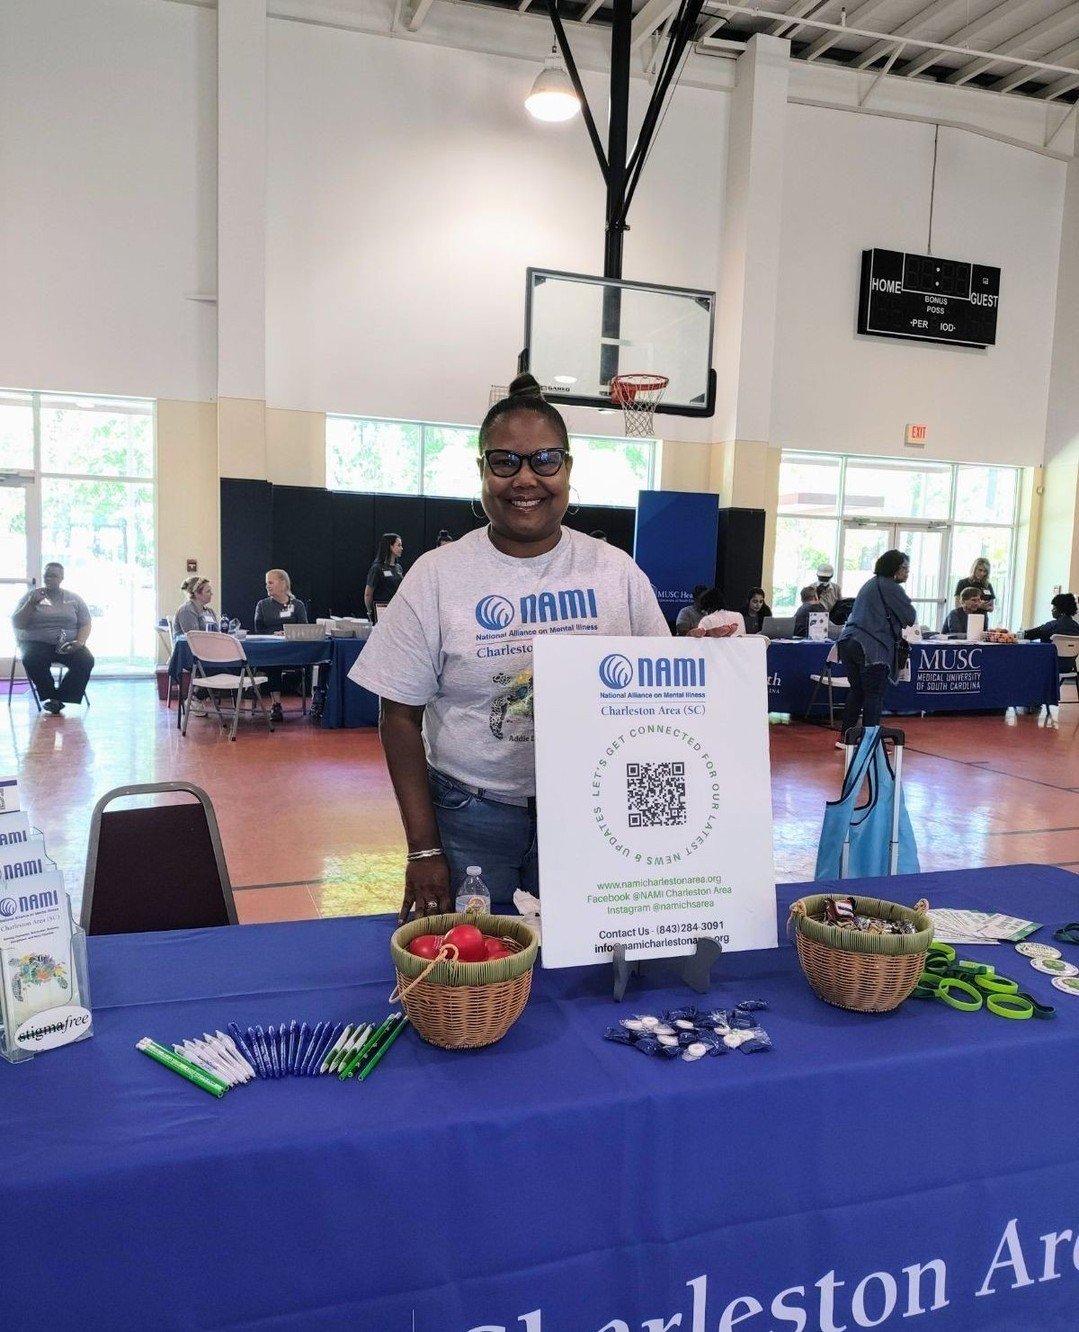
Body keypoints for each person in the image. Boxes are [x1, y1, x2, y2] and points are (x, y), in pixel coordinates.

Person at [348, 372, 669, 922]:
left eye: (545, 460)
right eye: (505, 462)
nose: (525, 478)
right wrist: (424, 848)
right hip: (470, 815)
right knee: (474, 975)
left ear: (567, 469)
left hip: (595, 813)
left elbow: (664, 697)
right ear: (482, 472)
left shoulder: (617, 575)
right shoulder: (437, 576)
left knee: (585, 972)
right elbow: (397, 714)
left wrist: (711, 661)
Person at [836, 550, 916, 744]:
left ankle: (846, 738)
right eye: (904, 568)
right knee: (874, 694)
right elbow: (910, 617)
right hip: (872, 647)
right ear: (894, 569)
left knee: (857, 691)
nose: (907, 572)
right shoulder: (891, 587)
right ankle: (870, 741)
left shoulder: (869, 584)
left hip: (848, 642)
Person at [11, 563, 94, 714]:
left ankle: (60, 698)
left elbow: (85, 623)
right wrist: (31, 603)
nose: (49, 578)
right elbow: (17, 623)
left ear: (62, 578)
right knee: (32, 658)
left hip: (67, 642)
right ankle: (50, 696)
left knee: (86, 660)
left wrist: (80, 642)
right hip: (36, 643)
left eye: (53, 575)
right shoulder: (32, 596)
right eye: (46, 575)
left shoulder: (74, 598)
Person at [254, 569, 309, 723]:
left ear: (283, 583)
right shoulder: (262, 605)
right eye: (266, 583)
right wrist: (274, 633)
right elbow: (259, 629)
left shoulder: (297, 605)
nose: (267, 586)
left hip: (293, 650)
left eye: (271, 582)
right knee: (273, 663)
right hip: (271, 650)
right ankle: (276, 704)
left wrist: (286, 632)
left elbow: (303, 628)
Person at [1023, 593, 1079, 673]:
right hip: (1069, 667)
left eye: (1054, 608)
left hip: (1049, 665)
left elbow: (1028, 635)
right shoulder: (1076, 627)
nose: (1052, 610)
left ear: (1061, 610)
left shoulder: (1052, 626)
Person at [364, 533, 405, 622]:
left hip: (396, 612)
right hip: (381, 611)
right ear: (390, 546)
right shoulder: (377, 568)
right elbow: (368, 594)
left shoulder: (398, 568)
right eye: (399, 545)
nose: (401, 548)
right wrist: (371, 612)